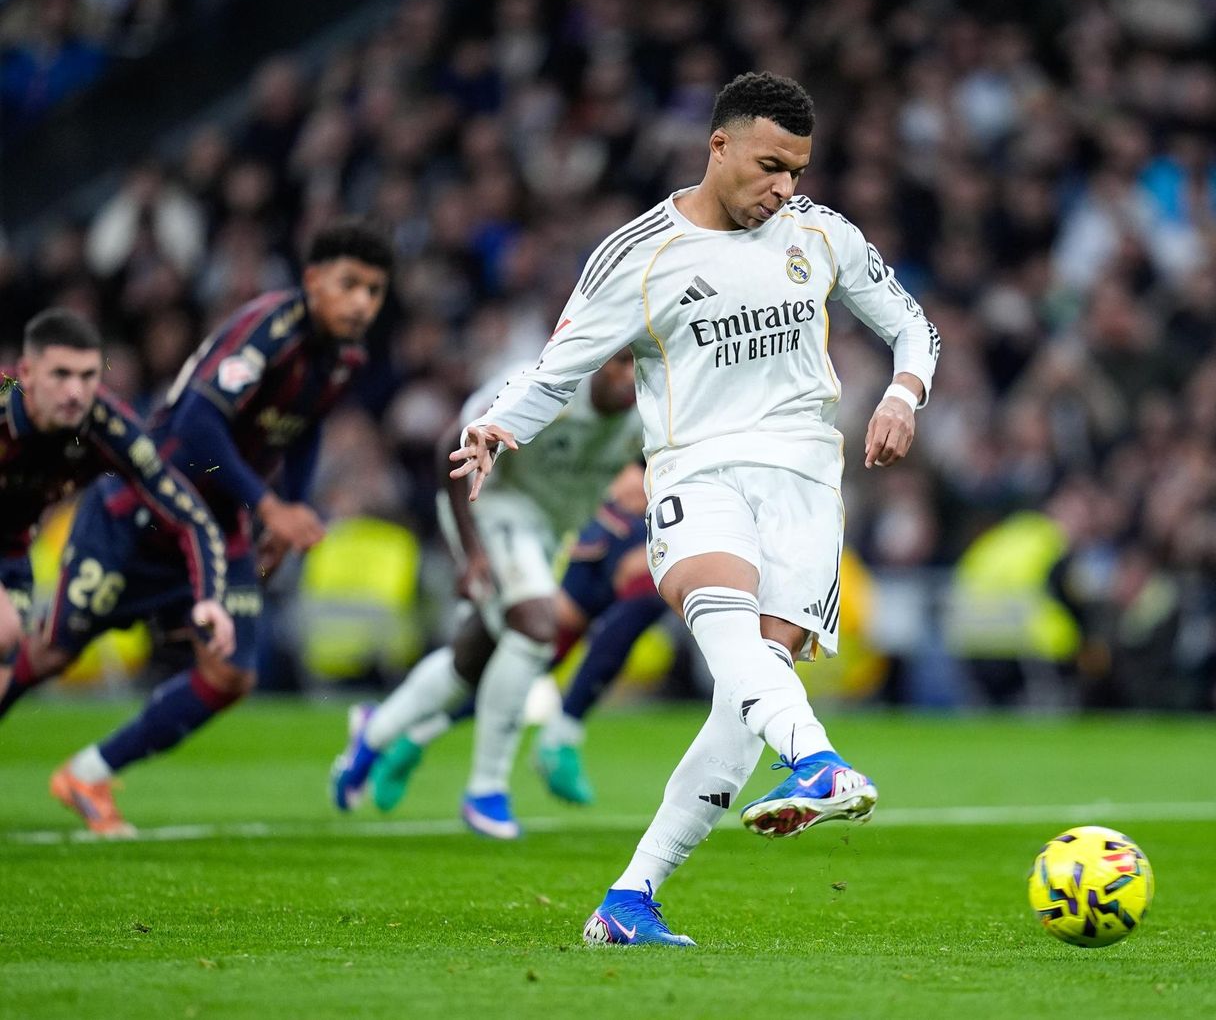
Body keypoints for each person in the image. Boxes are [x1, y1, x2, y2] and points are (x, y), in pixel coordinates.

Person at [450, 72, 940, 946]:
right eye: (769, 165)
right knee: (733, 642)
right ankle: (820, 761)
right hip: (697, 474)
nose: (784, 187)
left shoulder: (820, 236)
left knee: (748, 694)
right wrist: (495, 425)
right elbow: (556, 366)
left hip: (806, 488)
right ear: (719, 147)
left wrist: (904, 393)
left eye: (796, 169)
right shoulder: (639, 254)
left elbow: (912, 326)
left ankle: (629, 901)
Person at [2, 219, 392, 836]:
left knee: (232, 671)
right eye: (350, 285)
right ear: (312, 280)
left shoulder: (344, 358)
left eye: (374, 291)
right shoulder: (268, 330)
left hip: (218, 524)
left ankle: (89, 773)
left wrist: (288, 513)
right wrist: (269, 506)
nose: (362, 303)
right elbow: (199, 421)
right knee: (48, 652)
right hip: (140, 513)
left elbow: (306, 428)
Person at [330, 351, 642, 838]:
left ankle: (375, 732)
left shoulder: (653, 407)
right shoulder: (545, 384)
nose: (629, 377)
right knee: (538, 627)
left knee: (473, 661)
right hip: (489, 507)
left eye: (636, 365)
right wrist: (470, 554)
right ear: (597, 359)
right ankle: (485, 790)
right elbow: (450, 446)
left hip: (549, 532)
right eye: (619, 363)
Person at [0, 312, 235, 814]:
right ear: (27, 372)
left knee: (9, 645)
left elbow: (190, 516)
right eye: (60, 375)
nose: (75, 392)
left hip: (11, 547)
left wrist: (211, 599)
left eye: (88, 376)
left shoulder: (107, 427)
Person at [364, 469, 667, 812]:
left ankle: (417, 734)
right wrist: (637, 474)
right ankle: (558, 736)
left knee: (550, 644)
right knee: (576, 623)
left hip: (663, 498)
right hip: (632, 494)